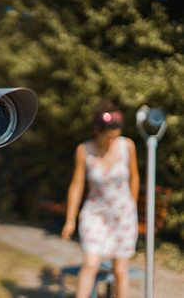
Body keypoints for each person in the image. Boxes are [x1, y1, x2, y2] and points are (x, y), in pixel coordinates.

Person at [61, 100, 139, 298]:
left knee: (120, 271)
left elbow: (135, 177)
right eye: (108, 137)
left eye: (115, 137)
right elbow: (77, 185)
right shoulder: (84, 150)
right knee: (90, 264)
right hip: (95, 214)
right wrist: (70, 220)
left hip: (122, 215)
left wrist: (132, 207)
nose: (111, 141)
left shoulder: (127, 146)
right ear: (97, 130)